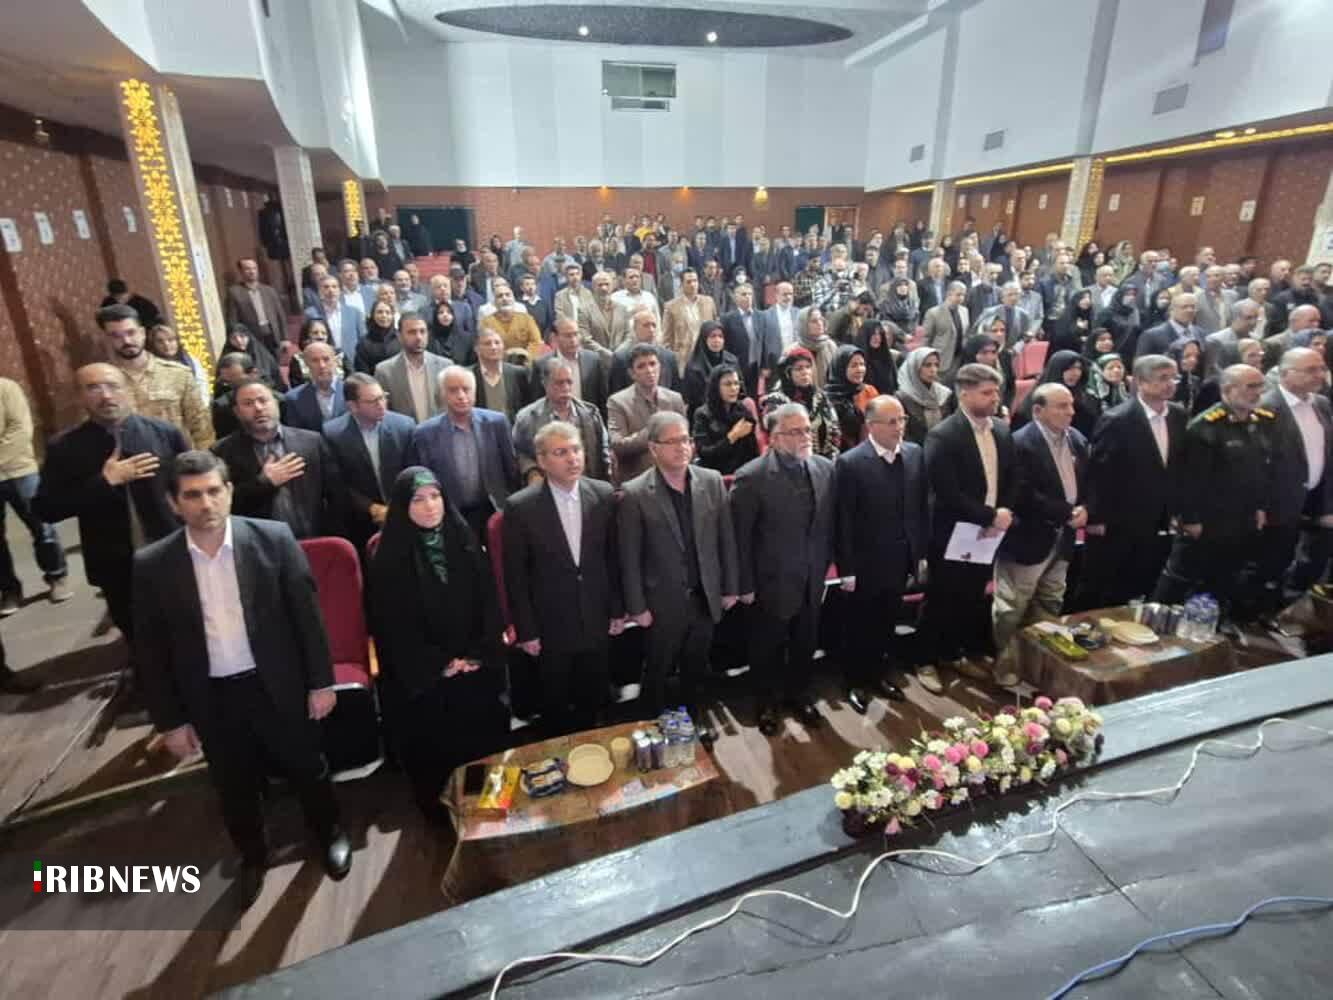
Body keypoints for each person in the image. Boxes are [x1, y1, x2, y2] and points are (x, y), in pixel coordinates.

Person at [134, 451, 350, 908]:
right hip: (211, 696)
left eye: (214, 491)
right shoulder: (154, 564)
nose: (206, 503)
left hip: (277, 684)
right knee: (233, 784)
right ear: (174, 503)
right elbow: (151, 651)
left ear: (230, 491)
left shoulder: (273, 539)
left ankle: (330, 833)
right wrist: (170, 721)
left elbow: (307, 619)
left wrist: (321, 682)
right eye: (192, 495)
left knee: (307, 767)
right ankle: (253, 856)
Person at [35, 364, 188, 694]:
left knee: (186, 625)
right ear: (79, 397)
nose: (105, 395)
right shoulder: (66, 447)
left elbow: (191, 485)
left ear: (127, 389)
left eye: (112, 385)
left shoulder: (163, 433)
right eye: (93, 388)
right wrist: (104, 482)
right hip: (115, 561)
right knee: (138, 634)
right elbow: (45, 508)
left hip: (172, 550)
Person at [368, 466, 507, 822]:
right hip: (428, 678)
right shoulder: (389, 558)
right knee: (435, 747)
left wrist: (476, 654)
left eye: (435, 496)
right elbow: (393, 627)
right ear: (402, 506)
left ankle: (487, 805)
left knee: (483, 739)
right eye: (418, 500)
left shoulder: (464, 538)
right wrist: (441, 664)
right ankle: (444, 813)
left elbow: (489, 603)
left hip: (474, 667)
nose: (430, 506)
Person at [619, 412, 738, 739]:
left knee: (696, 667)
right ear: (653, 449)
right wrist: (637, 607)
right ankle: (651, 727)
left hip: (704, 596)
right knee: (657, 669)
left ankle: (693, 720)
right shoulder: (634, 493)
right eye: (672, 442)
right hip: (661, 603)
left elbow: (726, 539)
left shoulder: (711, 481)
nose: (681, 447)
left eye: (685, 439)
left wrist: (730, 586)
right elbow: (629, 557)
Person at [503, 421, 624, 736]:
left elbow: (613, 559)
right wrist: (527, 630)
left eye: (576, 450)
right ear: (542, 461)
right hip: (550, 622)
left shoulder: (603, 494)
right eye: (561, 453)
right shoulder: (521, 507)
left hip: (596, 614)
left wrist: (617, 609)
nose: (573, 459)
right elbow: (516, 576)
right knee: (555, 701)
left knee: (594, 697)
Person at [730, 402, 836, 735]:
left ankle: (799, 696)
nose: (806, 436)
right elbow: (739, 540)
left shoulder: (824, 468)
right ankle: (767, 703)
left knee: (805, 642)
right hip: (770, 581)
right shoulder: (752, 477)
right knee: (767, 648)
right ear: (774, 438)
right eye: (795, 432)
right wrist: (744, 585)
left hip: (811, 577)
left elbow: (827, 525)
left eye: (807, 429)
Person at [1151, 364, 1274, 626]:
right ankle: (1158, 626)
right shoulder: (1206, 426)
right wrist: (1191, 519)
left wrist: (1260, 507)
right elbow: (1190, 480)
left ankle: (1210, 626)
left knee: (1225, 577)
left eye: (1260, 386)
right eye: (1251, 386)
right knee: (1180, 579)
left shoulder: (1259, 422)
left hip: (1241, 519)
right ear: (1228, 389)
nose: (1258, 392)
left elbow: (1260, 471)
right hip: (1208, 520)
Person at [919, 363, 1017, 687]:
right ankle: (925, 660)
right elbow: (946, 492)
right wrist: (990, 517)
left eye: (996, 392)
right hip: (953, 531)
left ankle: (956, 653)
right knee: (941, 597)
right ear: (964, 394)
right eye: (986, 392)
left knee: (973, 594)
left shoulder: (1001, 429)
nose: (995, 398)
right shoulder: (943, 435)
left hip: (990, 530)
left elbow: (1012, 477)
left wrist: (1003, 513)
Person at [833, 395, 930, 707]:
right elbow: (843, 521)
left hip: (901, 558)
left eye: (902, 420)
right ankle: (855, 681)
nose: (899, 427)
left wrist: (920, 553)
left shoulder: (914, 454)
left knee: (888, 620)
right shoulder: (850, 463)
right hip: (865, 562)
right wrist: (847, 569)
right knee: (859, 624)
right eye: (891, 422)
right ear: (871, 426)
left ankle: (879, 673)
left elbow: (920, 508)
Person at [992, 383, 1088, 679]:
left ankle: (1037, 663)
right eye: (1062, 406)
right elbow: (1022, 494)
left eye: (1071, 405)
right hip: (1028, 538)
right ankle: (1005, 664)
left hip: (1063, 537)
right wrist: (1066, 512)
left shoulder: (1077, 439)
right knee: (1012, 608)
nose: (1071, 412)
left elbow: (1088, 481)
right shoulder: (1020, 443)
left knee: (1050, 600)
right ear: (1038, 410)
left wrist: (1086, 508)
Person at [212, 379, 345, 539]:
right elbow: (223, 506)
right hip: (259, 543)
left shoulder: (311, 442)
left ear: (275, 403)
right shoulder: (223, 452)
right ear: (237, 412)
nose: (258, 408)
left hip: (316, 540)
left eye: (263, 400)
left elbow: (337, 497)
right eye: (248, 403)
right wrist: (263, 483)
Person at [1255, 348, 1333, 612]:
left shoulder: (1321, 403)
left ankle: (1292, 612)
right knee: (1270, 565)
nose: (1320, 375)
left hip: (1315, 499)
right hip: (1277, 503)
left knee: (1312, 563)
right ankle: (1258, 614)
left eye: (1322, 368)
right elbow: (1256, 464)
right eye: (1311, 370)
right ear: (1286, 373)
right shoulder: (1266, 407)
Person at [406, 366, 519, 540]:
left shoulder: (496, 423)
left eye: (466, 389)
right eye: (453, 390)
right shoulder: (424, 433)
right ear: (442, 395)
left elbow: (511, 469)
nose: (461, 396)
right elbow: (423, 479)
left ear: (475, 392)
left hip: (494, 508)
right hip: (450, 513)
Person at [97, 304, 213, 449]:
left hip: (178, 457)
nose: (126, 341)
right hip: (130, 460)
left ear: (142, 333)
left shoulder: (178, 374)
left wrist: (204, 459)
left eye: (131, 333)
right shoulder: (102, 381)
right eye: (116, 336)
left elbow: (202, 429)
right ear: (107, 339)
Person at [0, 377, 71, 613]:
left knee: (42, 527)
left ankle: (56, 576)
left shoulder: (6, 388)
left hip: (19, 470)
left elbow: (20, 430)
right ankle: (9, 590)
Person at [321, 374, 414, 552]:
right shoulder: (333, 434)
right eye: (373, 401)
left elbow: (412, 472)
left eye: (382, 397)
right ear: (353, 406)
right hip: (360, 520)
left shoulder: (404, 426)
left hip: (404, 513)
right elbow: (337, 484)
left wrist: (396, 508)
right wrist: (372, 508)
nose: (381, 404)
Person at [513, 356, 612, 484]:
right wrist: (532, 471)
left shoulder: (590, 412)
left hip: (588, 485)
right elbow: (518, 452)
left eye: (569, 382)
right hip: (547, 486)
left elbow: (604, 448)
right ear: (545, 383)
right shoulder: (527, 417)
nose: (565, 387)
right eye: (559, 383)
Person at [607, 344, 689, 485]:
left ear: (660, 367)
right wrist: (652, 431)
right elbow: (617, 445)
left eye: (652, 364)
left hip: (674, 476)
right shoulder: (617, 402)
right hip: (637, 480)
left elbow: (686, 438)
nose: (649, 370)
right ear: (632, 373)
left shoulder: (675, 398)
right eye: (641, 366)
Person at [762, 346, 840, 459]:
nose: (805, 372)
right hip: (788, 464)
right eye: (799, 369)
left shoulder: (821, 397)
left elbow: (835, 431)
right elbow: (774, 438)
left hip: (823, 463)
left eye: (808, 367)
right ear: (788, 373)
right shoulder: (775, 401)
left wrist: (830, 461)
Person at [375, 313, 450, 423]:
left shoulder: (445, 366)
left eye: (422, 331)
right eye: (412, 332)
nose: (419, 337)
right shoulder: (384, 371)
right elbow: (384, 413)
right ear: (399, 336)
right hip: (404, 433)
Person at [691, 364, 759, 475]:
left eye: (736, 383)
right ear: (716, 387)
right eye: (727, 384)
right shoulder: (703, 414)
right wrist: (732, 436)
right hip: (714, 474)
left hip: (742, 473)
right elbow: (705, 453)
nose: (733, 388)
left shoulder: (743, 411)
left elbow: (753, 451)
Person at [534, 317, 608, 415]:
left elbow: (602, 399)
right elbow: (536, 403)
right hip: (554, 420)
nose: (573, 340)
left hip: (587, 420)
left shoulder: (593, 361)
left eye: (576, 334)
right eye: (567, 336)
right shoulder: (541, 365)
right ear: (554, 337)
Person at [471, 327, 533, 425]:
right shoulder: (469, 375)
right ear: (476, 349)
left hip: (512, 430)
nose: (493, 347)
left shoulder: (518, 373)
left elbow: (527, 406)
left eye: (497, 343)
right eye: (487, 343)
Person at [823, 344, 879, 451]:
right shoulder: (827, 399)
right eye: (853, 365)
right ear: (841, 368)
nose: (860, 369)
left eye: (862, 364)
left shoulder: (869, 391)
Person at [226, 257, 287, 350]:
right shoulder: (234, 293)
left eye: (254, 268)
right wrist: (238, 340)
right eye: (247, 269)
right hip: (252, 338)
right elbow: (232, 320)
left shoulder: (269, 291)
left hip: (272, 336)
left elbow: (280, 316)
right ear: (241, 271)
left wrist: (285, 338)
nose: (252, 271)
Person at [283, 341, 346, 431]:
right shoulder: (293, 399)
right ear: (306, 365)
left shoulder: (352, 391)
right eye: (315, 361)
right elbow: (296, 434)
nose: (322, 365)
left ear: (335, 361)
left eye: (326, 359)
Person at [662, 268, 719, 367]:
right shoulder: (671, 307)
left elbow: (716, 328)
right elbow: (667, 339)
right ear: (681, 285)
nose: (693, 284)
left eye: (695, 281)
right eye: (688, 282)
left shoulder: (709, 302)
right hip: (683, 359)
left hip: (707, 356)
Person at [896, 347, 951, 446]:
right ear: (915, 367)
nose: (933, 370)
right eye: (927, 365)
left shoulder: (945, 394)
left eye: (936, 365)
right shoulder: (902, 398)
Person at [682, 321, 738, 416]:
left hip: (730, 412)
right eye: (712, 336)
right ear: (704, 339)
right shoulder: (694, 366)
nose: (717, 340)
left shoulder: (732, 361)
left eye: (720, 336)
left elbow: (740, 390)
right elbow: (692, 399)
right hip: (704, 415)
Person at [147, 323, 211, 408]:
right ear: (153, 345)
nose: (166, 344)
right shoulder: (150, 365)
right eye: (160, 341)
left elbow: (201, 384)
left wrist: (202, 404)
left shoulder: (191, 361)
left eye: (170, 340)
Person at [480, 284, 543, 364]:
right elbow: (487, 347)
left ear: (513, 299)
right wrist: (507, 355)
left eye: (508, 295)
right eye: (500, 296)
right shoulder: (487, 322)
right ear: (494, 303)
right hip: (499, 364)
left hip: (525, 363)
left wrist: (526, 357)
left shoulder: (527, 319)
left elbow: (536, 342)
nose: (504, 298)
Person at [923, 281, 969, 384]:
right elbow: (926, 338)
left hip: (959, 359)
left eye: (963, 295)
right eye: (958, 295)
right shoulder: (933, 313)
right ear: (949, 294)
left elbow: (965, 334)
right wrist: (926, 360)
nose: (961, 298)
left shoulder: (964, 311)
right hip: (941, 360)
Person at [354, 300, 401, 374]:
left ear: (392, 316)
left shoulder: (401, 338)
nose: (384, 315)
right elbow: (362, 373)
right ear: (373, 315)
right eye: (380, 312)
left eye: (388, 312)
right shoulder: (363, 343)